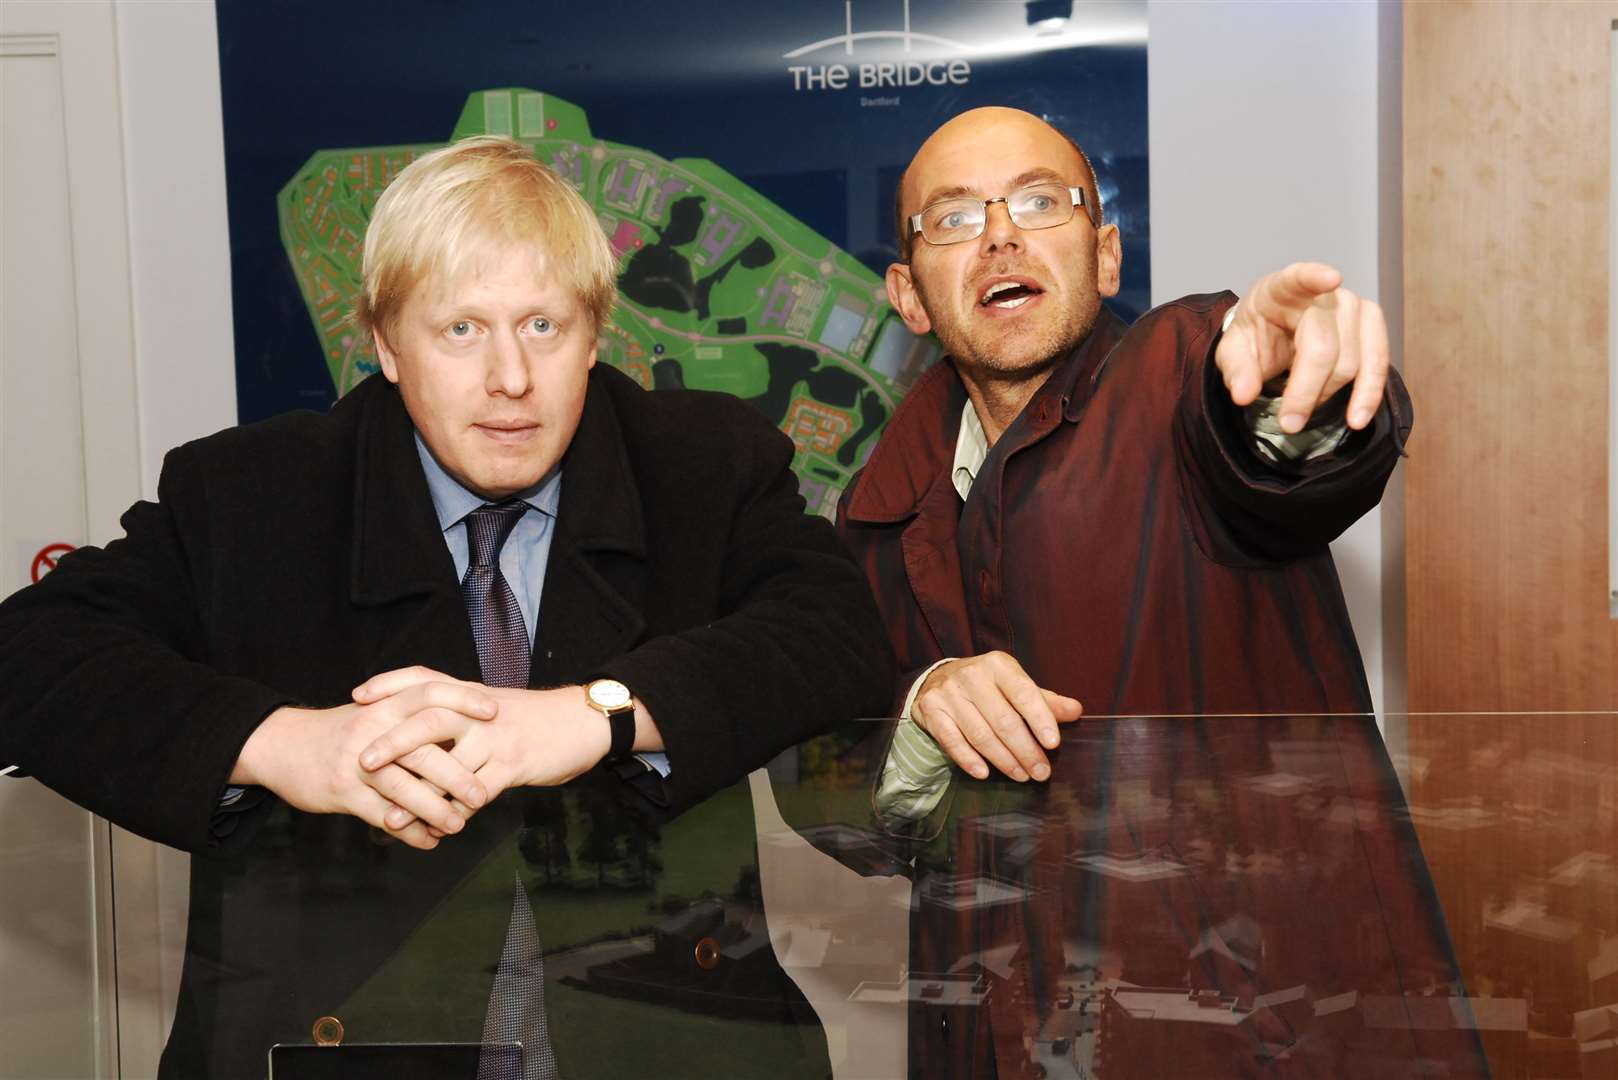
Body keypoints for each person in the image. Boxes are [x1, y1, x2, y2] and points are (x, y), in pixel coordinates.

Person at [0, 136, 893, 1078]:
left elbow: (835, 633)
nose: (510, 378)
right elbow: (30, 653)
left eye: (543, 327)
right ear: (385, 345)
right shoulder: (250, 493)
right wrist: (283, 745)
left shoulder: (706, 463)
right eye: (460, 330)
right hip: (341, 1035)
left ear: (596, 337)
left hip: (665, 1034)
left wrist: (600, 711)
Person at [824, 107, 1488, 1077]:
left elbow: (1267, 447)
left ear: (1103, 255)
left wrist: (1290, 397)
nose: (1002, 234)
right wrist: (922, 716)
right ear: (908, 295)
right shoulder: (879, 508)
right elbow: (839, 796)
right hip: (991, 1028)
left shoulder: (1182, 369)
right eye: (955, 218)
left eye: (1039, 202)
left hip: (1256, 1033)